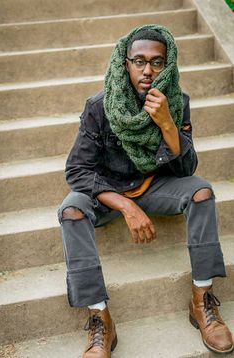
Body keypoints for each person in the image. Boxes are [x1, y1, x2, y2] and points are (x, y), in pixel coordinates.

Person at [58, 24, 233, 357]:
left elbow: (186, 169)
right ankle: (100, 318)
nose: (148, 70)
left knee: (202, 192)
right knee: (71, 211)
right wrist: (126, 206)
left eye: (157, 62)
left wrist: (167, 121)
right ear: (126, 63)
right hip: (106, 193)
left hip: (155, 186)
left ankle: (202, 300)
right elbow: (77, 170)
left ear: (167, 65)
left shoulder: (177, 101)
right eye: (139, 61)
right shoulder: (100, 106)